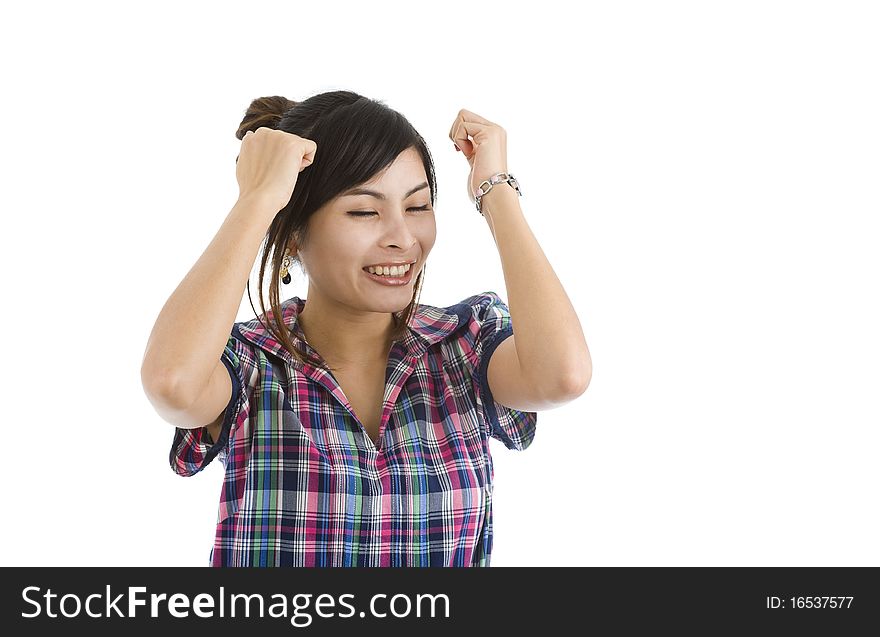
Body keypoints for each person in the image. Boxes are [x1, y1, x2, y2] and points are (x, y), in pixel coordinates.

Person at [141, 90, 592, 567]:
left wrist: (496, 192)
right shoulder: (252, 362)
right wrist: (258, 200)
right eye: (364, 211)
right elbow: (173, 382)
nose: (401, 238)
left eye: (417, 207)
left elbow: (562, 375)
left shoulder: (464, 344)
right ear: (293, 231)